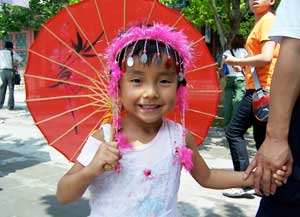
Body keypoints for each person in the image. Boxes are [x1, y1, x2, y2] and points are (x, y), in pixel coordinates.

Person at [55, 24, 285, 216]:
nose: (151, 93)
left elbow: (207, 177)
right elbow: (64, 194)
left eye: (164, 81)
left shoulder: (178, 137)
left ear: (179, 86)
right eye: (136, 81)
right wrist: (91, 170)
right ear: (118, 86)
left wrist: (254, 177)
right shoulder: (104, 138)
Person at [244, 0, 300, 216]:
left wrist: (239, 61)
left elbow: (270, 56)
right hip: (265, 92)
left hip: (266, 90)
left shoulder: (268, 20)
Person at [222, 0, 280, 198]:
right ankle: (266, 184)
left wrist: (235, 60)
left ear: (272, 0)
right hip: (258, 87)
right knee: (261, 140)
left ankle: (245, 181)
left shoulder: (268, 20)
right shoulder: (262, 21)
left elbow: (266, 57)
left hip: (260, 90)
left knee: (233, 131)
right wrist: (244, 67)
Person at [220, 35, 247, 128]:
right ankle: (235, 125)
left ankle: (226, 124)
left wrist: (224, 75)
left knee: (228, 102)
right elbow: (247, 65)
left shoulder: (227, 52)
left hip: (229, 79)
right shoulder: (244, 52)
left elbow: (222, 66)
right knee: (238, 102)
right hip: (240, 79)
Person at [0, 41, 23, 110]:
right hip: (11, 72)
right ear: (11, 48)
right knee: (11, 89)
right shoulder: (12, 53)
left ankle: (0, 104)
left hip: (2, 72)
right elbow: (21, 60)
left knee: (2, 89)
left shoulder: (0, 53)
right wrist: (15, 64)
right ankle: (10, 106)